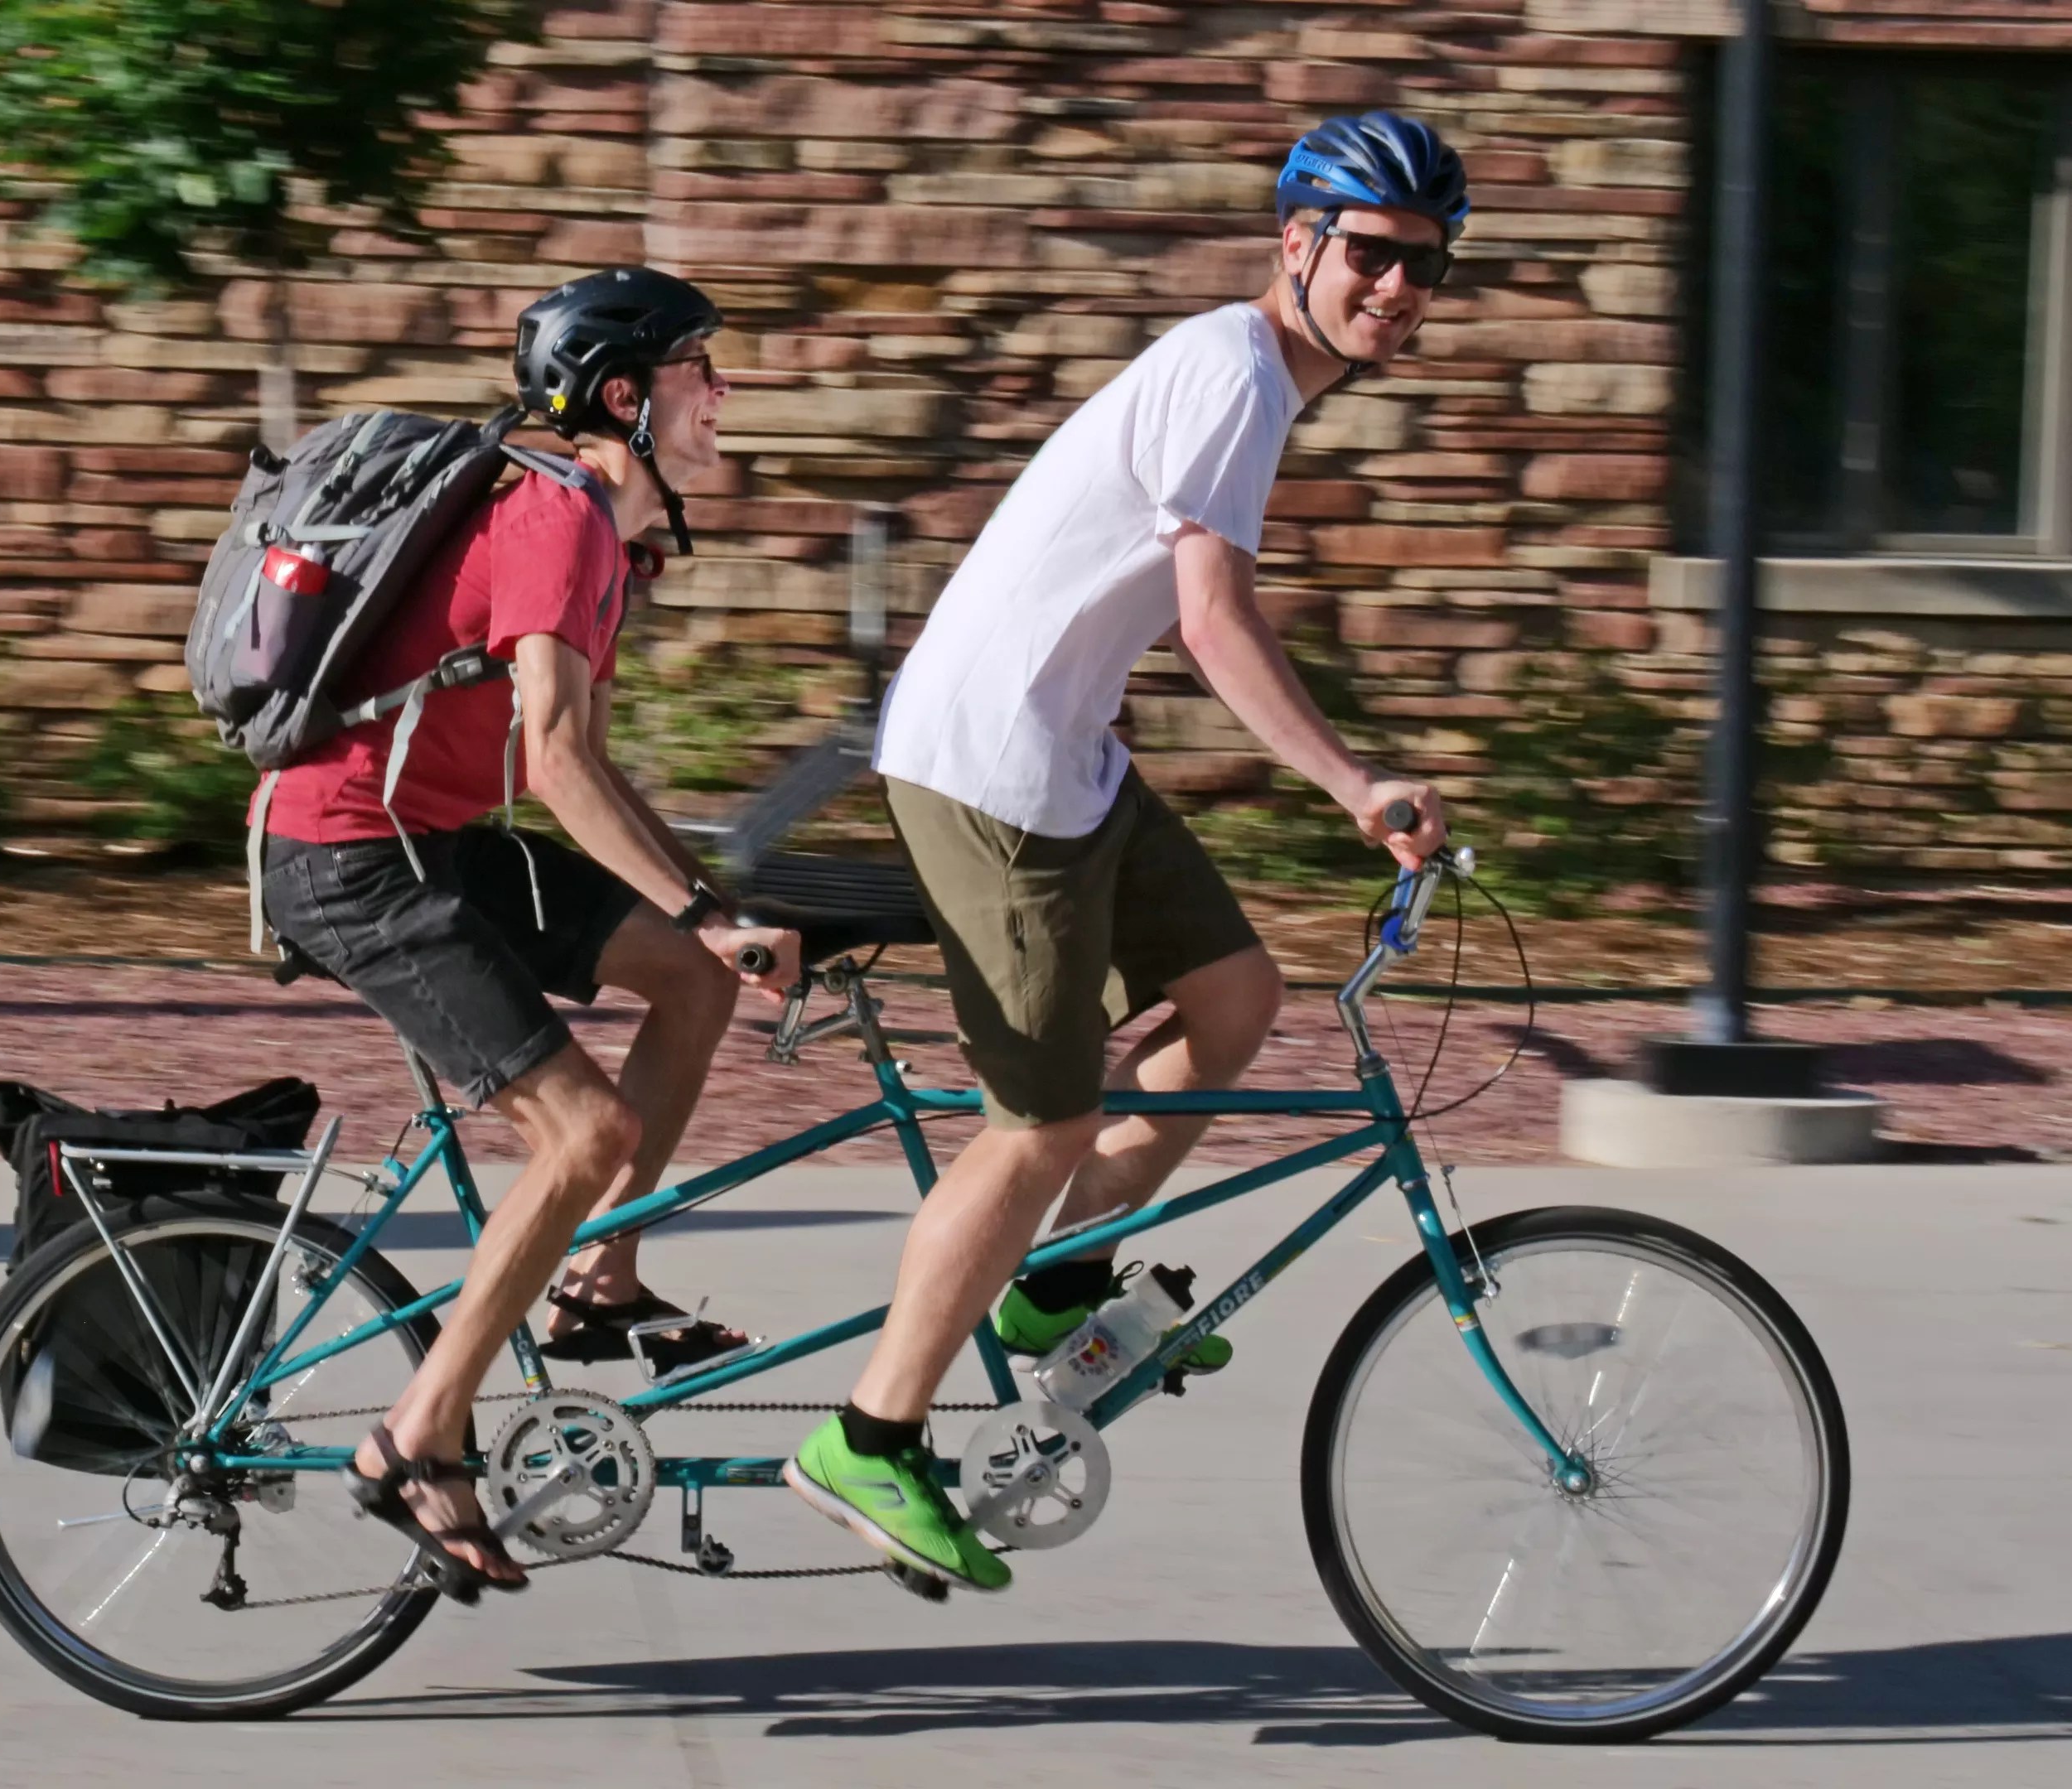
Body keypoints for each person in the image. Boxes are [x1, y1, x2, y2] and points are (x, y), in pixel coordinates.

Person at [785, 113, 1465, 1592]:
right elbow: (1213, 620)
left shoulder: (1252, 379)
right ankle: (870, 1434)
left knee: (1231, 1000)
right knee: (1034, 1123)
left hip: (1070, 760)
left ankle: (1051, 1286)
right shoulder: (1232, 375)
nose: (1398, 287)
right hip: (990, 772)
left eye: (1424, 264)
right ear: (1298, 244)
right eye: (1371, 253)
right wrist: (1351, 781)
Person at [257, 267, 800, 1598]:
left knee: (688, 982)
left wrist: (713, 919)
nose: (720, 393)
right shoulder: (549, 520)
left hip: (427, 840)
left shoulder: (600, 541)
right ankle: (414, 1436)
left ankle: (597, 1278)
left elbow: (595, 773)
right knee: (585, 1130)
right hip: (347, 857)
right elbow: (553, 764)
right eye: (698, 370)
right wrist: (699, 906)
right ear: (625, 395)